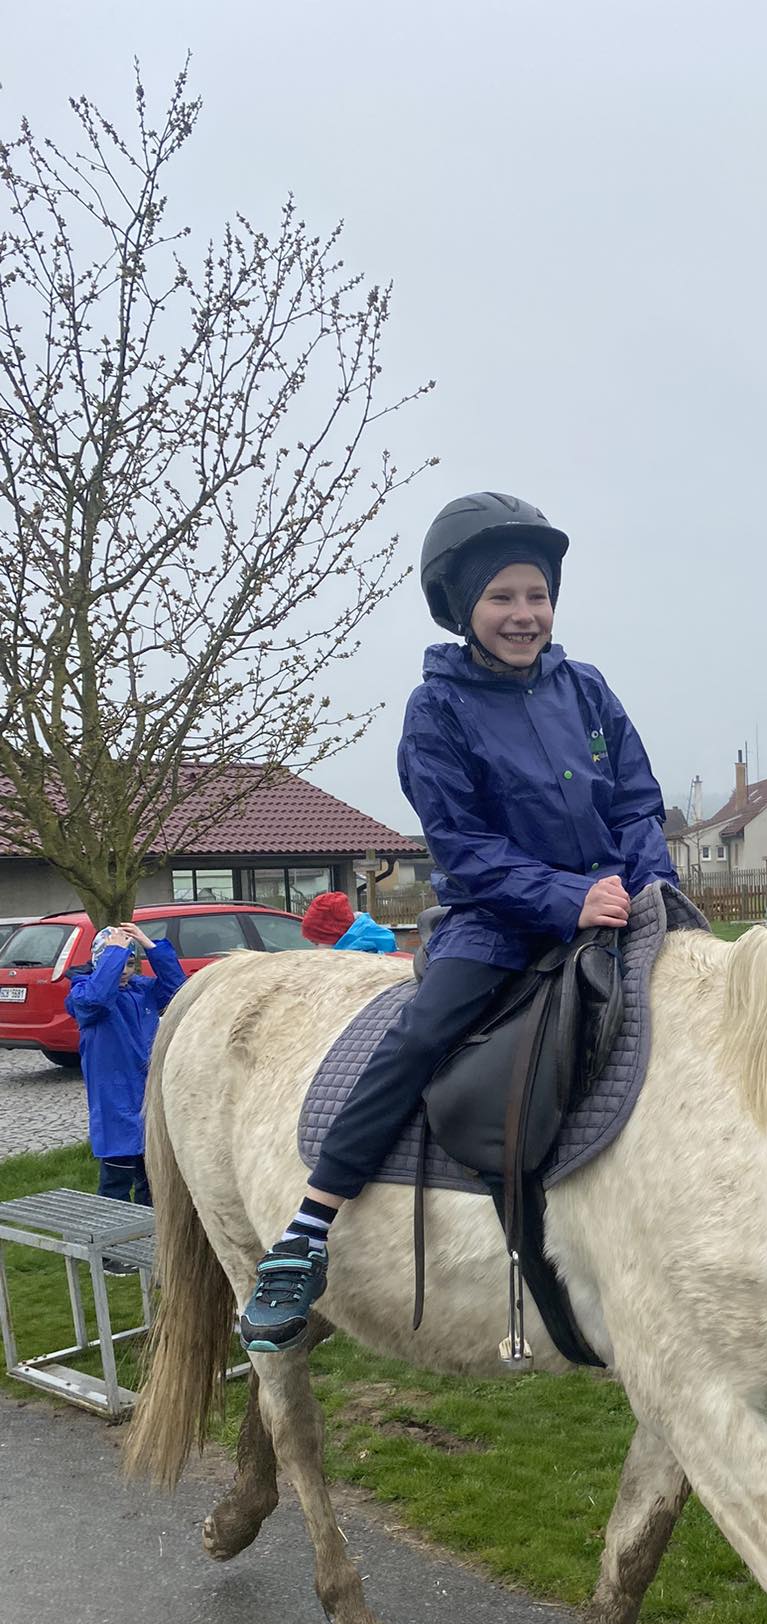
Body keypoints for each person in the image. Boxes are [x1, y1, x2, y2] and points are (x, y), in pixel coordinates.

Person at [237, 492, 677, 1352]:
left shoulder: (587, 689)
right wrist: (566, 899)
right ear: (463, 606)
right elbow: (464, 846)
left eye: (536, 595)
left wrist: (645, 881)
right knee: (422, 1034)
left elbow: (636, 800)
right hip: (500, 920)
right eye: (502, 597)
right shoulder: (436, 710)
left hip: (620, 904)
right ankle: (309, 1227)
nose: (524, 614)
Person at [65, 922, 187, 1205]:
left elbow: (179, 990)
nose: (123, 970)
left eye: (130, 963)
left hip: (147, 1095)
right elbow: (97, 999)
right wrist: (115, 952)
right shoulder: (82, 995)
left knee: (153, 1182)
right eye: (117, 963)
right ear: (100, 960)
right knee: (116, 1183)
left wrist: (151, 947)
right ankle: (110, 1233)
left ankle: (149, 1230)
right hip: (114, 1100)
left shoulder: (142, 991)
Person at [300, 891, 398, 953]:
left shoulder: (354, 961)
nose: (316, 951)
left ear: (333, 938)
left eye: (317, 944)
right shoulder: (364, 948)